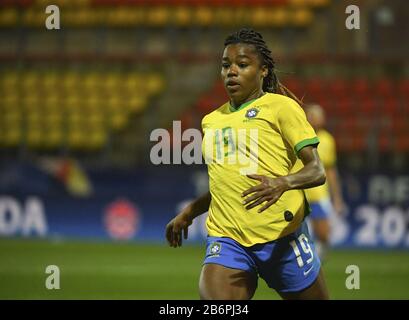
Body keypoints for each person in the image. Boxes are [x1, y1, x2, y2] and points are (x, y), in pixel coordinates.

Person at [165, 28, 329, 300]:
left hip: (283, 239)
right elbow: (227, 184)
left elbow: (317, 170)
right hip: (228, 240)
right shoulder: (212, 121)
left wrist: (281, 183)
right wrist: (190, 212)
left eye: (242, 65)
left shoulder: (281, 108)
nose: (231, 72)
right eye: (226, 65)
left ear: (263, 70)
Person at [302, 104, 346, 261]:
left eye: (318, 115)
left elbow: (331, 171)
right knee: (299, 237)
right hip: (300, 195)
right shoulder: (299, 135)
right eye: (312, 115)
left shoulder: (327, 140)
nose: (315, 118)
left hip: (319, 195)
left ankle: (316, 264)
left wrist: (337, 197)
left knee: (324, 234)